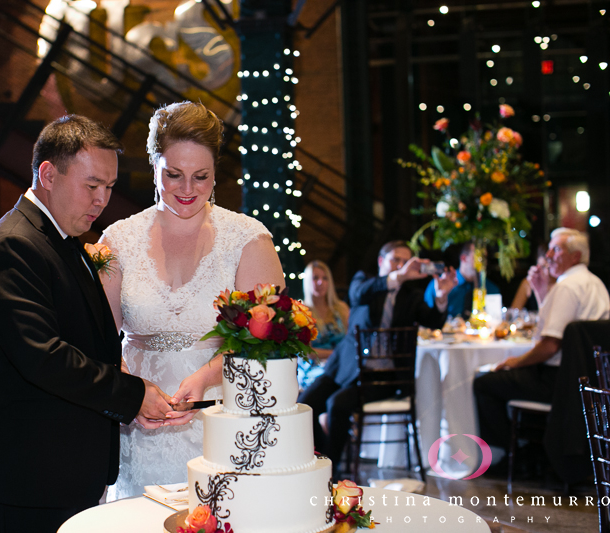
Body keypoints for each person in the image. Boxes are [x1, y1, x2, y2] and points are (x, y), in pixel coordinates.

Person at [0, 115, 180, 532]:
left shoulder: (59, 240)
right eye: (92, 185)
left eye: (109, 187)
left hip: (58, 472)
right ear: (48, 173)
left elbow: (86, 339)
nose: (102, 200)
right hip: (23, 478)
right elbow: (43, 358)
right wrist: (131, 395)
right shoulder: (13, 246)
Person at [99, 101, 285, 500]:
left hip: (223, 415)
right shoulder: (118, 240)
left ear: (216, 171)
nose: (187, 190)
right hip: (143, 421)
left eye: (201, 177)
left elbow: (266, 338)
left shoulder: (247, 239)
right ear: (153, 166)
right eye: (174, 175)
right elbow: (95, 335)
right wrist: (131, 390)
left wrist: (206, 377)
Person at [297, 240, 458, 478]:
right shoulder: (365, 282)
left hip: (382, 378)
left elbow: (433, 320)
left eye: (405, 262)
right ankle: (316, 458)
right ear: (382, 261)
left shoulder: (411, 296)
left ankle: (332, 472)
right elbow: (357, 294)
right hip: (344, 367)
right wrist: (398, 276)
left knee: (337, 405)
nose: (400, 266)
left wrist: (442, 295)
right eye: (395, 260)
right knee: (305, 404)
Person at [474, 228, 610, 456]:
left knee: (484, 384)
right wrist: (540, 291)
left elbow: (550, 346)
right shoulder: (595, 283)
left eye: (556, 249)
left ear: (575, 256)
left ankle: (514, 454)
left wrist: (515, 362)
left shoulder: (567, 286)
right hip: (592, 381)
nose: (547, 255)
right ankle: (533, 451)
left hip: (559, 381)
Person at [297, 260, 350, 389]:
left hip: (341, 363)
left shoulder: (341, 308)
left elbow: (350, 341)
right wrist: (335, 355)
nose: (320, 282)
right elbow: (307, 352)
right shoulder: (301, 311)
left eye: (325, 278)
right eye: (315, 278)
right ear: (307, 281)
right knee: (329, 378)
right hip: (313, 367)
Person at [423, 242, 500, 318]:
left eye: (484, 258)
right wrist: (441, 298)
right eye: (478, 258)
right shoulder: (438, 285)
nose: (483, 263)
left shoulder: (491, 290)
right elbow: (426, 319)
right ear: (463, 258)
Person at [509, 244, 555, 311]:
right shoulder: (528, 283)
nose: (546, 273)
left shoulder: (562, 283)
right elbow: (514, 311)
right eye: (542, 267)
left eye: (549, 268)